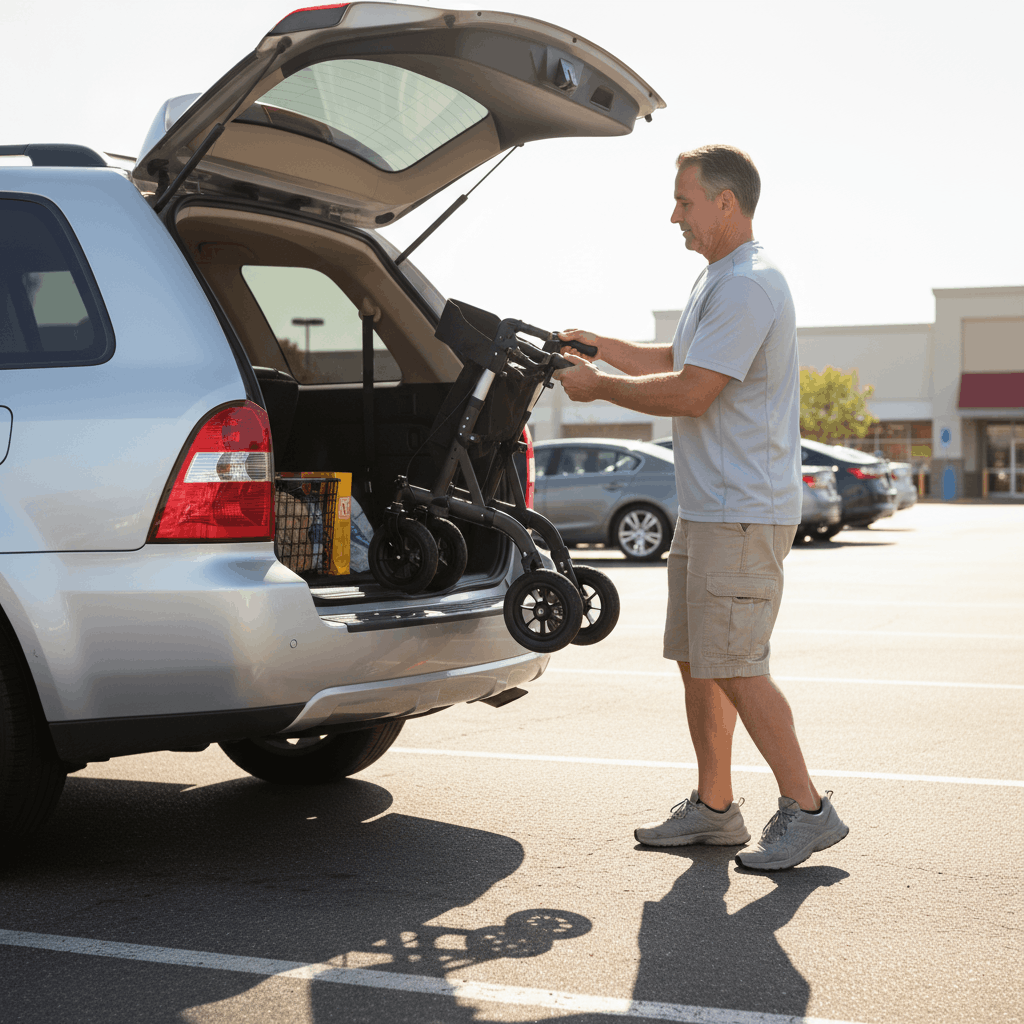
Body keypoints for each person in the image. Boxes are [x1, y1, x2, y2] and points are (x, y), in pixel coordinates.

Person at [556, 144, 848, 871]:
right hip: (709, 510)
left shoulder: (748, 284)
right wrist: (601, 347)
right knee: (700, 663)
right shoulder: (718, 278)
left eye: (684, 202)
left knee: (738, 664)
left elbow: (692, 393)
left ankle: (809, 810)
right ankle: (715, 809)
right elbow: (677, 361)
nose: (674, 216)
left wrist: (597, 387)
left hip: (742, 510)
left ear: (726, 201)